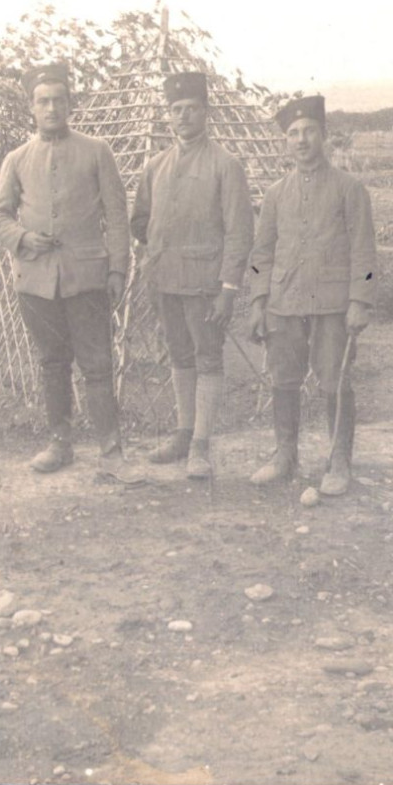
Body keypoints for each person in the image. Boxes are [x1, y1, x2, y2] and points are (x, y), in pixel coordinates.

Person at [0, 62, 139, 482]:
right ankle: (60, 442)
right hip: (36, 281)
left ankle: (111, 450)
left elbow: (117, 215)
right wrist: (22, 238)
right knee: (52, 363)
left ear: (70, 104)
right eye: (43, 101)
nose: (51, 108)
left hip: (87, 278)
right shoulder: (16, 159)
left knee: (97, 364)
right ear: (32, 108)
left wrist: (117, 270)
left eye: (58, 100)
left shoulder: (97, 150)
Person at [247, 94, 376, 495]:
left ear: (324, 136)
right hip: (283, 304)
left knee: (333, 381)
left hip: (332, 307)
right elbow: (259, 255)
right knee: (283, 379)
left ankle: (339, 460)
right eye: (293, 134)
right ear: (286, 142)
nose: (301, 140)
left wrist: (360, 301)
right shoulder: (274, 194)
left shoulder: (349, 189)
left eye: (308, 132)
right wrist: (257, 301)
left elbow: (365, 253)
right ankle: (286, 455)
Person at [130, 72, 254, 479]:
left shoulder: (226, 166)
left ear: (206, 113)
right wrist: (152, 261)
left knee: (208, 359)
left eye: (191, 109)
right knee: (180, 356)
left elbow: (240, 232)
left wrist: (228, 289)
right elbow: (141, 221)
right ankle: (183, 434)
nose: (183, 117)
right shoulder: (155, 166)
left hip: (206, 286)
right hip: (166, 282)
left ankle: (201, 443)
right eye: (176, 110)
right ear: (168, 115)